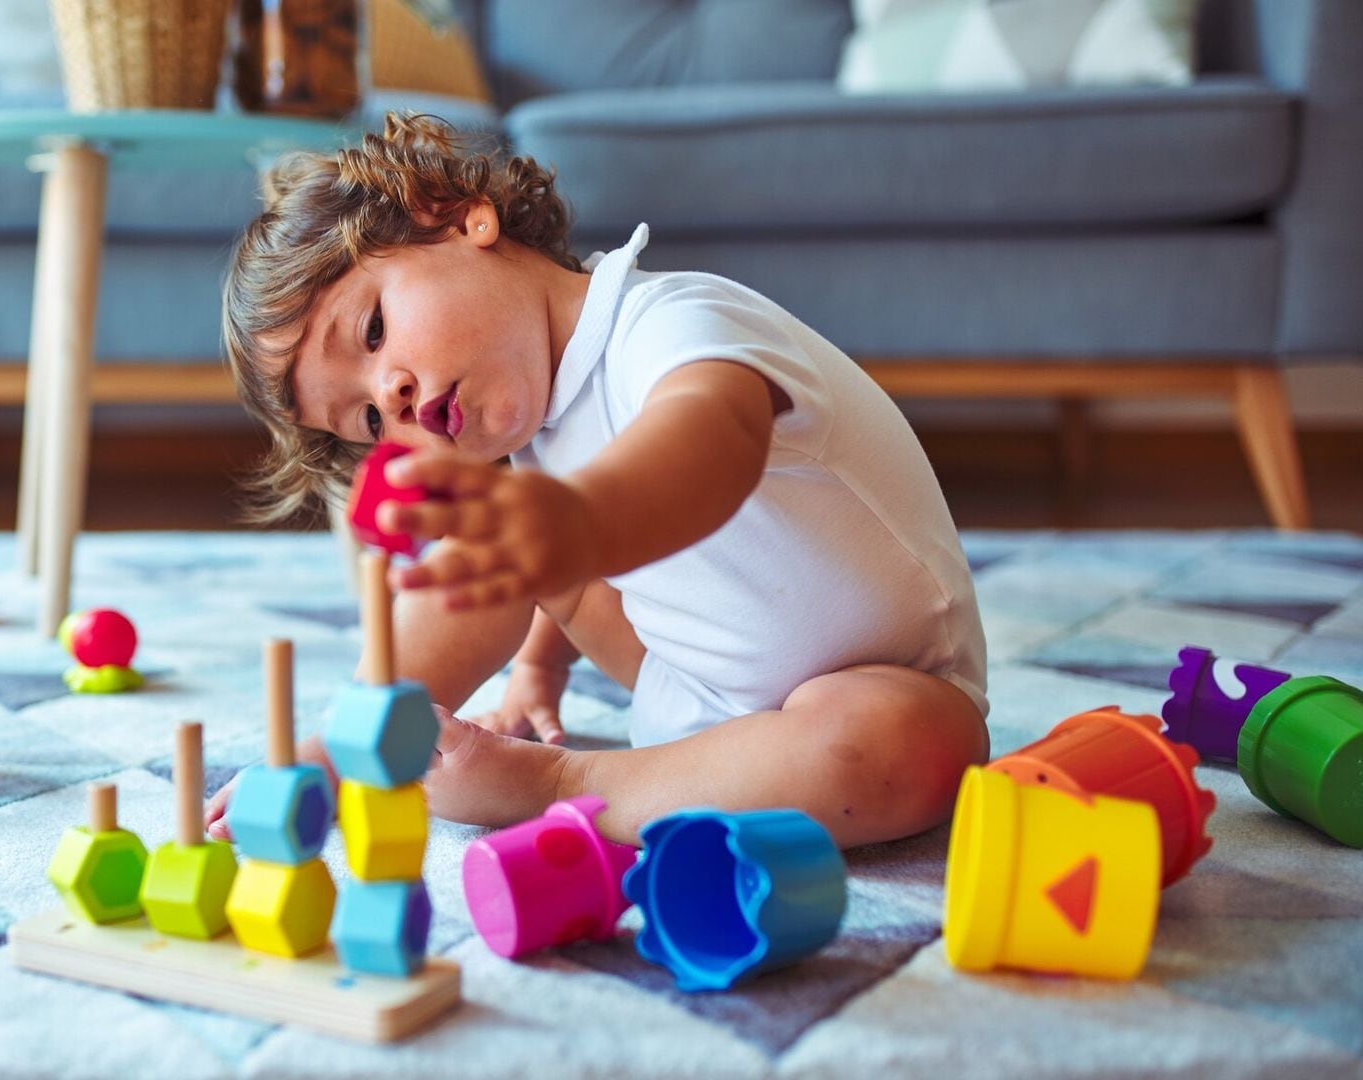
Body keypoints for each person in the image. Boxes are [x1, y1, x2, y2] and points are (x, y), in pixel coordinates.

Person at [208, 113, 988, 848]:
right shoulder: (536, 445)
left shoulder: (668, 321)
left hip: (883, 685)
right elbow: (520, 574)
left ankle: (565, 785)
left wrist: (572, 523)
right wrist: (525, 668)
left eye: (373, 332)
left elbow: (714, 440)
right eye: (369, 423)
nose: (390, 397)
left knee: (901, 747)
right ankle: (353, 739)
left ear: (459, 218)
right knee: (495, 555)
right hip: (693, 701)